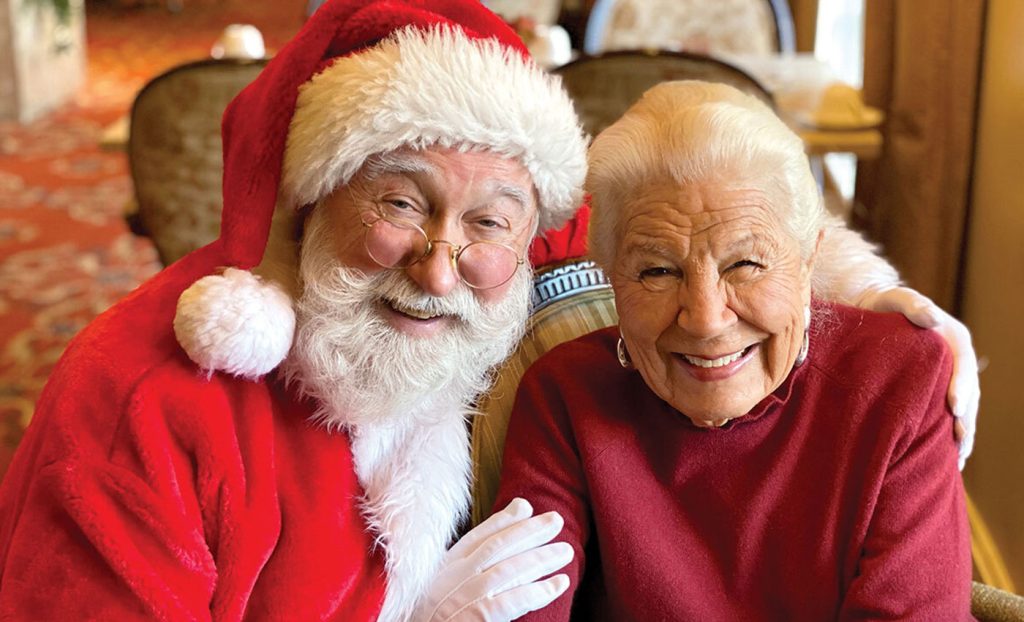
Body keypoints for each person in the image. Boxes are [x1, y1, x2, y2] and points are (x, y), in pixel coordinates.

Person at [0, 0, 976, 619]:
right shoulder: (140, 402)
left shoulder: (508, 273)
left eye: (487, 224)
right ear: (305, 200)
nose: (438, 269)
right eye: (396, 202)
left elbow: (679, 224)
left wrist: (871, 298)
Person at [493, 81, 973, 620]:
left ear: (809, 260)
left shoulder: (901, 378)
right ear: (612, 279)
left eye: (745, 265)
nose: (705, 320)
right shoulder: (566, 396)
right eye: (657, 270)